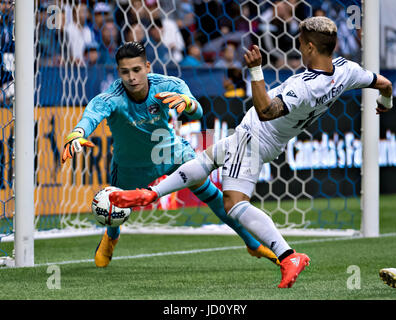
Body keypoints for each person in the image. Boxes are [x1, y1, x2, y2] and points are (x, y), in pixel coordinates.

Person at [109, 17, 394, 288]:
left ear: (309, 47)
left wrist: (256, 69)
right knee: (206, 160)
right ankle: (149, 194)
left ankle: (287, 255)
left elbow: (267, 110)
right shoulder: (346, 70)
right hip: (267, 138)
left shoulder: (303, 87)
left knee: (234, 204)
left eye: (301, 41)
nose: (299, 45)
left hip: (256, 136)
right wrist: (386, 101)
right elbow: (384, 83)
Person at [61, 41, 279, 268]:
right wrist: (77, 133)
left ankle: (252, 243)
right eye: (125, 72)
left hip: (172, 153)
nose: (132, 77)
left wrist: (188, 104)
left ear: (147, 66)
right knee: (114, 207)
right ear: (119, 72)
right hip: (130, 166)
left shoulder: (168, 85)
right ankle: (111, 236)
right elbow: (91, 116)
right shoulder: (111, 98)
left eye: (136, 70)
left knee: (214, 197)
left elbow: (197, 111)